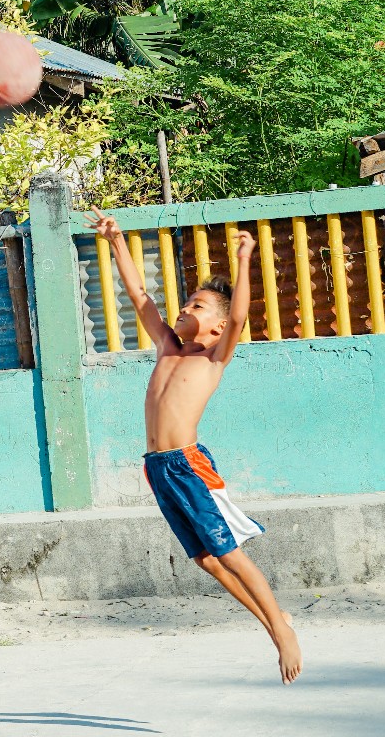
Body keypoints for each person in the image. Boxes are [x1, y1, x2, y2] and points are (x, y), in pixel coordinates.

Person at [89, 215, 303, 683]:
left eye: (198, 305)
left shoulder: (213, 357)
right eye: (187, 301)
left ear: (219, 325)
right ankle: (272, 621)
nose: (186, 308)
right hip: (158, 468)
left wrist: (244, 261)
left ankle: (282, 632)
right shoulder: (167, 346)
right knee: (204, 559)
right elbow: (139, 297)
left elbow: (242, 317)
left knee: (227, 552)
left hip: (187, 466)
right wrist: (116, 242)